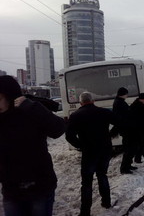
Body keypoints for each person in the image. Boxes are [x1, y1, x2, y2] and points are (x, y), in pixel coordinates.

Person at [0, 75, 65, 216]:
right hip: (11, 191)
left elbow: (58, 129)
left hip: (40, 189)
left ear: (10, 97)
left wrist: (33, 107)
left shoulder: (30, 111)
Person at [65, 92, 116, 216]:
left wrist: (80, 145)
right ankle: (106, 202)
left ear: (80, 102)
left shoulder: (76, 115)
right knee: (102, 175)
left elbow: (69, 136)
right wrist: (110, 135)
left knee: (87, 182)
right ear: (93, 101)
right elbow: (120, 123)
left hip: (89, 152)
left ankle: (85, 212)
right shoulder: (104, 112)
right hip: (105, 150)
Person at [112, 87, 138, 174]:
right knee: (128, 149)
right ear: (123, 94)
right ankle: (124, 168)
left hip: (126, 129)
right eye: (126, 94)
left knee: (130, 148)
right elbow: (125, 115)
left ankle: (128, 165)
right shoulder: (119, 103)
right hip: (126, 130)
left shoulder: (119, 102)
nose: (127, 95)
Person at [130, 93, 144, 163]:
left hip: (140, 128)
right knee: (142, 143)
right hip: (139, 128)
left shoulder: (139, 105)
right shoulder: (139, 107)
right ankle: (140, 157)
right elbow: (143, 119)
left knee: (142, 143)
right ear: (142, 99)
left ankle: (141, 156)